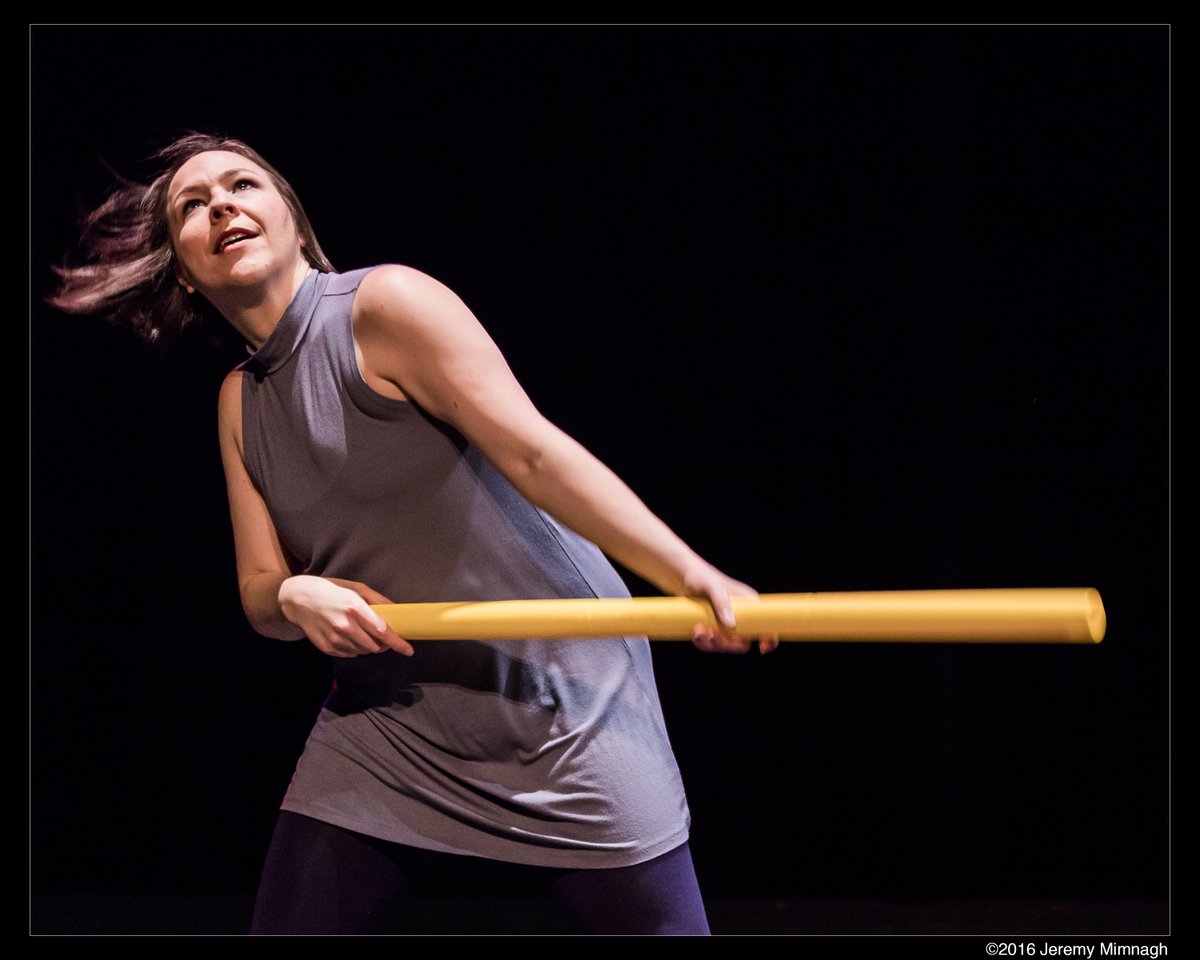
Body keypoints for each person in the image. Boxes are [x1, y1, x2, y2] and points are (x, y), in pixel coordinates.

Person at [50, 131, 779, 935]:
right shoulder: (240, 403)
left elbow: (534, 453)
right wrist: (296, 594)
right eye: (194, 204)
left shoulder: (384, 305)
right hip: (388, 721)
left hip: (553, 699)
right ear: (186, 270)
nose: (221, 203)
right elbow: (259, 592)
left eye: (243, 185)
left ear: (294, 222)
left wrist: (687, 574)